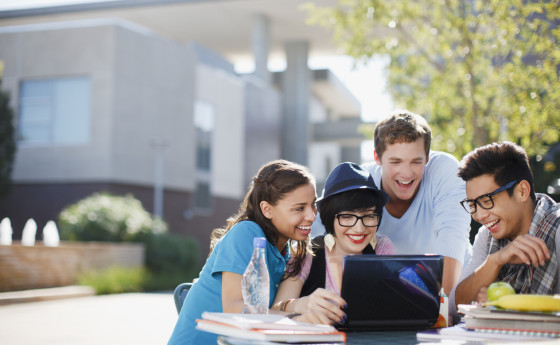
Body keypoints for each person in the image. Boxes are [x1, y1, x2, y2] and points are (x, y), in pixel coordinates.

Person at [167, 160, 317, 345]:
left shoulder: (285, 252)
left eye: (313, 205)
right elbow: (236, 311)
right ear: (267, 209)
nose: (312, 216)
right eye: (299, 208)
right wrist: (297, 317)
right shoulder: (247, 233)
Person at [362, 110, 472, 296]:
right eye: (395, 162)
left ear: (427, 158)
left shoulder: (445, 170)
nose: (406, 174)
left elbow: (453, 239)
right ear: (377, 158)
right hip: (390, 293)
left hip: (456, 291)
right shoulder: (362, 182)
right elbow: (326, 241)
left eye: (416, 162)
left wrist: (443, 310)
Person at [271, 162, 396, 325]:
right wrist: (300, 308)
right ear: (330, 217)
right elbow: (275, 309)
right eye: (347, 217)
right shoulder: (308, 253)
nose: (359, 228)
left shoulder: (381, 248)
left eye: (369, 216)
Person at [451, 141, 559, 309]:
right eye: (472, 205)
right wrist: (494, 261)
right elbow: (455, 305)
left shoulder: (557, 228)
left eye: (487, 201)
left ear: (522, 191)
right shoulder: (487, 236)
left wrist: (507, 305)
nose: (479, 215)